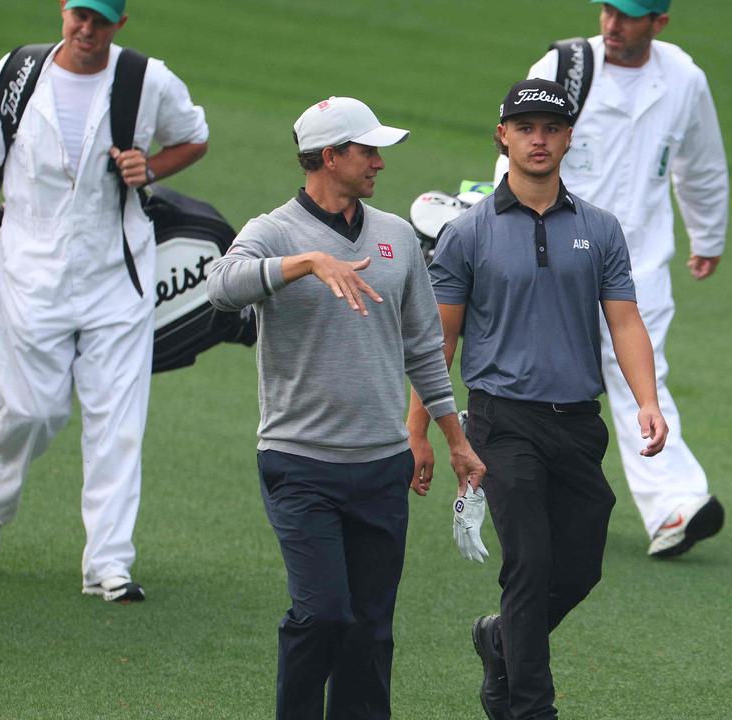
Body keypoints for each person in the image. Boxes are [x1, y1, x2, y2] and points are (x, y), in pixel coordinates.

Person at [207, 96, 485, 720]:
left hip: (381, 466)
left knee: (370, 630)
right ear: (329, 157)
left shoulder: (394, 237)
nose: (380, 162)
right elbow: (221, 286)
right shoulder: (274, 231)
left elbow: (423, 345)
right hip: (299, 464)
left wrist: (452, 439)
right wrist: (304, 263)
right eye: (367, 151)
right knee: (322, 613)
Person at [410, 78, 667, 720]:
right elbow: (438, 341)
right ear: (504, 136)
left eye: (550, 128)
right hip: (503, 422)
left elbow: (626, 321)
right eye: (525, 128)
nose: (538, 139)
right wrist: (421, 431)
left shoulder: (600, 229)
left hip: (578, 424)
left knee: (579, 567)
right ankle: (529, 707)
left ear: (568, 138)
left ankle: (500, 640)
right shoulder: (466, 234)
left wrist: (648, 401)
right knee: (529, 561)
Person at [0, 0, 208, 601]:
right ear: (63, 11)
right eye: (79, 15)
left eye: (100, 20)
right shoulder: (16, 74)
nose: (86, 30)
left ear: (121, 23)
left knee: (118, 420)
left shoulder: (147, 79)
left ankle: (109, 565)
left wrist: (150, 168)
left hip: (116, 273)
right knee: (31, 411)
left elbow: (194, 137)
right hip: (27, 270)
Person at [496, 0, 729, 557]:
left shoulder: (683, 78)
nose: (613, 24)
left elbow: (700, 161)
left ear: (659, 23)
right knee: (542, 377)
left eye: (629, 15)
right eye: (608, 10)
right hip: (550, 251)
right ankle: (537, 496)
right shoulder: (564, 67)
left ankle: (676, 504)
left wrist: (709, 233)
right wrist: (507, 237)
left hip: (639, 258)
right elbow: (512, 153)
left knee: (639, 376)